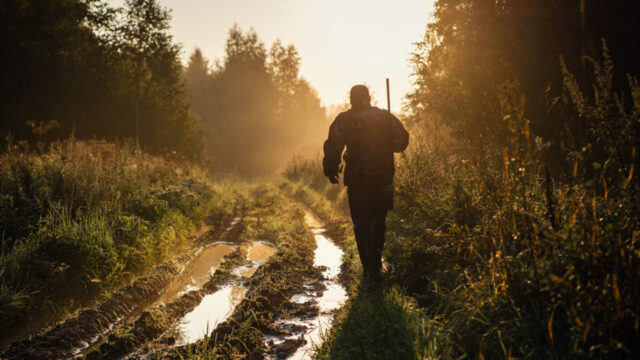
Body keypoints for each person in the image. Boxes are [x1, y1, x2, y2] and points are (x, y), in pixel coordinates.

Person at [322, 84, 409, 283]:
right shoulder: (385, 117)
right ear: (369, 98)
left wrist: (331, 169)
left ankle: (369, 269)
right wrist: (386, 139)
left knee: (361, 223)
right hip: (383, 176)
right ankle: (376, 265)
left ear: (351, 99)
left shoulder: (344, 120)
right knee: (379, 221)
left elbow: (333, 146)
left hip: (358, 180)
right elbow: (401, 143)